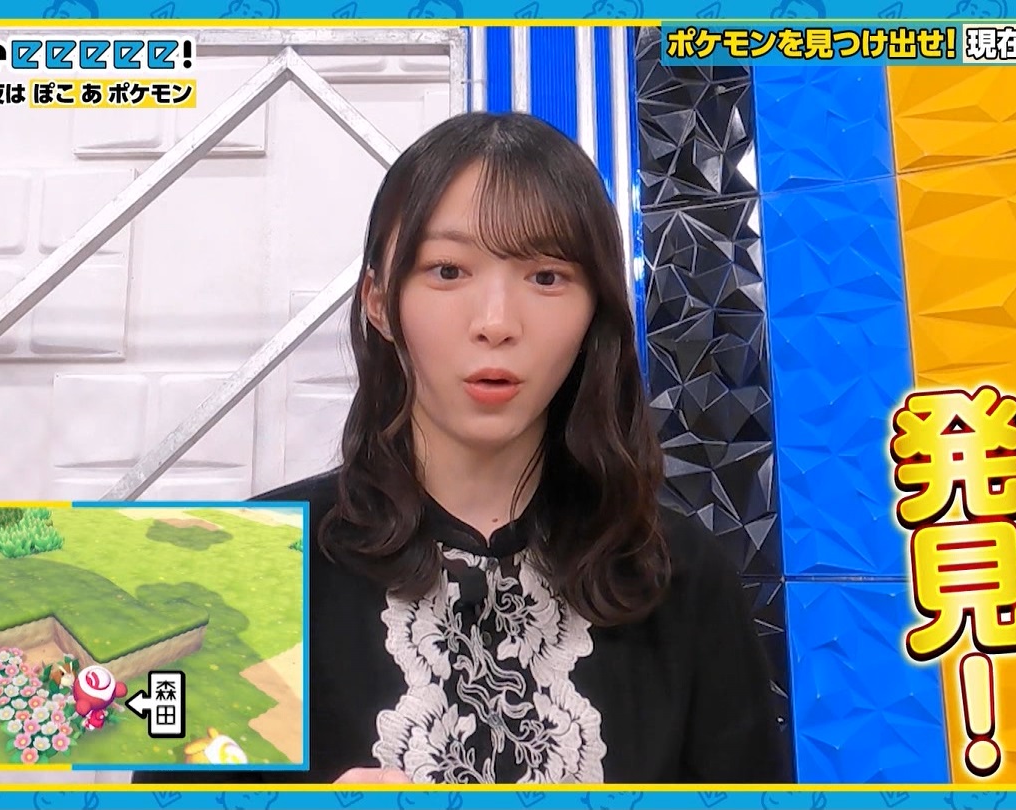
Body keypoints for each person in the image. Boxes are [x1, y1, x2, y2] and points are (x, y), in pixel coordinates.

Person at [133, 111, 791, 785]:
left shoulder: (678, 575)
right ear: (379, 302)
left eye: (547, 277)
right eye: (448, 271)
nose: (496, 323)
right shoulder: (238, 568)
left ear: (594, 310)